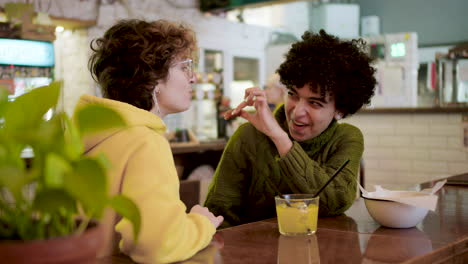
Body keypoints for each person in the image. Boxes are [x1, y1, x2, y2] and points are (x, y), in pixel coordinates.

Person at [74, 19, 223, 263]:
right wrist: (201, 224)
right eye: (184, 66)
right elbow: (156, 245)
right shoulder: (145, 142)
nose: (193, 77)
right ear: (152, 78)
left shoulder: (94, 135)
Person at [204, 30, 376, 228]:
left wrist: (280, 139)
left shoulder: (346, 138)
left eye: (314, 103)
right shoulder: (249, 136)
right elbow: (216, 216)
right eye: (293, 95)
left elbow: (336, 201)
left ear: (340, 110)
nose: (297, 112)